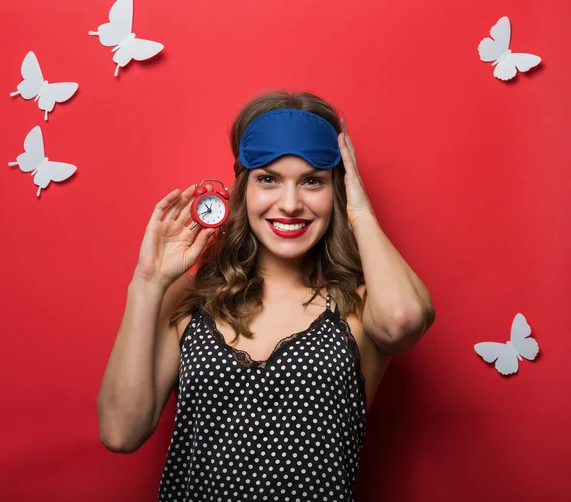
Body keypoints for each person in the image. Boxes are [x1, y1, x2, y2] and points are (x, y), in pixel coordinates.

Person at [97, 89, 435, 501]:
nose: (290, 204)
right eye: (268, 179)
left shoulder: (360, 304)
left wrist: (359, 208)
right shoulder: (194, 296)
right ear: (243, 187)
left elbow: (405, 320)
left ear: (338, 189)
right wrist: (147, 283)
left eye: (313, 181)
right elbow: (120, 432)